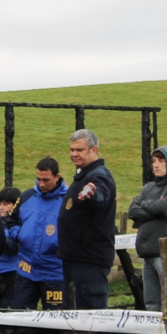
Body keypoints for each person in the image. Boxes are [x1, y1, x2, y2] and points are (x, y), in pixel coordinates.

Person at [57, 129, 117, 310]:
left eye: (79, 150)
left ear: (94, 150)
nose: (74, 154)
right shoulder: (83, 175)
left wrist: (93, 195)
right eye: (72, 150)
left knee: (91, 318)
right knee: (74, 318)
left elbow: (101, 197)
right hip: (75, 258)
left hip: (89, 261)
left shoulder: (98, 176)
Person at [128, 146, 167, 312]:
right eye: (154, 161)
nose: (156, 165)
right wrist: (156, 207)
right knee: (151, 306)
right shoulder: (148, 188)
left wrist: (146, 205)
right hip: (148, 254)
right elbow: (133, 211)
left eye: (162, 161)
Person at [10, 158, 68, 311]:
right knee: (20, 320)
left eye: (46, 180)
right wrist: (20, 235)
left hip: (55, 272)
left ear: (57, 177)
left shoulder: (68, 201)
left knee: (58, 322)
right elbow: (11, 221)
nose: (41, 184)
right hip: (26, 270)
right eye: (38, 179)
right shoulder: (27, 196)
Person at [0, 187, 21, 309]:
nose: (1, 207)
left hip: (11, 274)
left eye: (6, 204)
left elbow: (14, 247)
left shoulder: (18, 224)